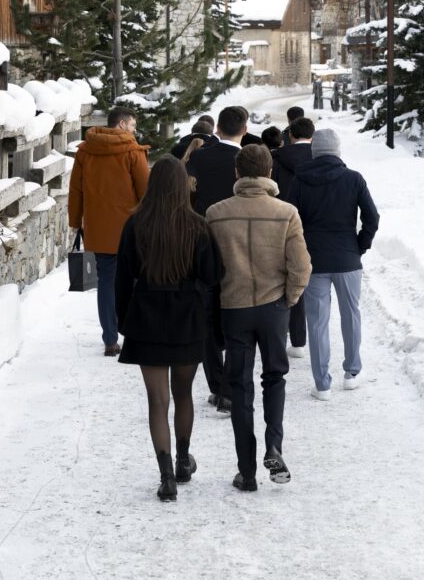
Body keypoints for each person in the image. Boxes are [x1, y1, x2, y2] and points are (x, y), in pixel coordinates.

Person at [115, 156, 223, 502]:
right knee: (184, 394)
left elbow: (122, 278)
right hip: (186, 319)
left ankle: (165, 477)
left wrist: (123, 321)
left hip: (147, 318)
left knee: (157, 401)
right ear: (182, 186)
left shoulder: (135, 225)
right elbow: (212, 275)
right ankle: (182, 460)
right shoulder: (198, 226)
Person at [207, 143, 311, 491]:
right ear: (269, 173)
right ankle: (274, 445)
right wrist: (289, 299)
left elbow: (209, 268)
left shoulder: (216, 213)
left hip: (234, 307)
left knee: (239, 385)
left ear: (237, 173)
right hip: (273, 308)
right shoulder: (286, 213)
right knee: (275, 378)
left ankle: (246, 470)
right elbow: (301, 266)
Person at [286, 129, 379, 400]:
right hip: (347, 258)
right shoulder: (353, 179)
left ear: (314, 151)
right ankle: (351, 372)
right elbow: (372, 217)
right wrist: (360, 245)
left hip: (313, 259)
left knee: (316, 321)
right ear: (337, 150)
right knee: (351, 314)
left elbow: (291, 220)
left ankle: (322, 384)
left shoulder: (300, 180)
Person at [68, 106, 150, 356]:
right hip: (130, 231)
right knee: (134, 281)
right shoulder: (132, 152)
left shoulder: (85, 151)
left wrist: (75, 221)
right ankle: (134, 332)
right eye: (134, 126)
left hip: (99, 227)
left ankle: (110, 339)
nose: (135, 131)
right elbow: (145, 191)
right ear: (123, 124)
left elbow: (76, 189)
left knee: (106, 282)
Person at [186, 105, 247, 412]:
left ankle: (219, 386)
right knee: (237, 315)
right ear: (244, 130)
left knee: (208, 318)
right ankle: (234, 382)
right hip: (241, 242)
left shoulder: (198, 157)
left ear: (218, 130)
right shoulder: (249, 157)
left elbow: (189, 195)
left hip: (204, 240)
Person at [272, 116, 316, 359]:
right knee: (316, 281)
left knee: (292, 275)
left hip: (286, 223)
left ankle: (296, 338)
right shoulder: (319, 157)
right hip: (316, 224)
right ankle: (317, 332)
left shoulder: (279, 158)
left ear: (290, 136)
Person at [271, 117, 315, 201]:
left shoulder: (277, 158)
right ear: (312, 135)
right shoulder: (320, 159)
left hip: (283, 210)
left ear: (290, 134)